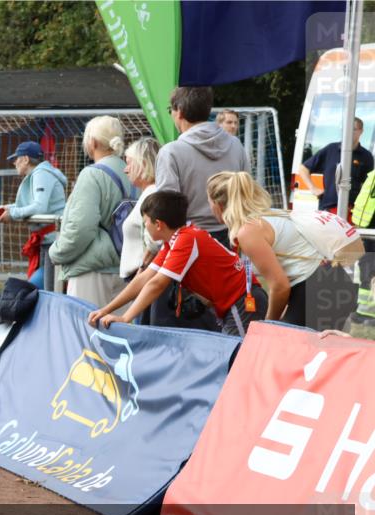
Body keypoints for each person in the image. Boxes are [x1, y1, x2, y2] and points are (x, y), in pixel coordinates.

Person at [88, 190, 267, 337]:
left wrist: (126, 317)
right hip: (234, 303)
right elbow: (143, 280)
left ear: (158, 224)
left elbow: (157, 283)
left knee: (240, 363)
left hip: (242, 301)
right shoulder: (173, 241)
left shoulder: (186, 239)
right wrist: (106, 310)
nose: (145, 227)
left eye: (145, 223)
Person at [153, 86, 249, 328]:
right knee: (225, 324)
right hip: (230, 242)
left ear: (179, 111)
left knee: (180, 330)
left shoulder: (171, 152)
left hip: (189, 247)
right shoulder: (236, 146)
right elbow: (247, 193)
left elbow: (166, 211)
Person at [206, 172, 323, 326]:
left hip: (315, 287)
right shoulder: (266, 216)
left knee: (278, 342)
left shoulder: (249, 231)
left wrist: (269, 324)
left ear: (217, 204)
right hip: (323, 282)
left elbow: (280, 286)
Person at [48, 116, 128, 307]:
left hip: (92, 271)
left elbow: (81, 228)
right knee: (120, 334)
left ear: (92, 142)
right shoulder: (132, 170)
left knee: (84, 331)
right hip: (128, 268)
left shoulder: (92, 174)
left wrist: (56, 252)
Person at [0, 141, 66, 290]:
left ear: (25, 159)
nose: (14, 163)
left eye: (16, 158)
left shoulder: (41, 173)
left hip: (54, 242)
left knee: (36, 291)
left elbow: (39, 207)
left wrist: (11, 214)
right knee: (40, 290)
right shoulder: (38, 174)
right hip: (47, 242)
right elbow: (21, 207)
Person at [296, 117, 374, 218]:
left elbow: (368, 185)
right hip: (328, 209)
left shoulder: (366, 156)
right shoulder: (331, 150)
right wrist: (313, 188)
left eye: (353, 129)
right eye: (346, 129)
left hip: (353, 211)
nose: (349, 132)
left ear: (361, 131)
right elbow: (303, 168)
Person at [119, 138, 160, 282]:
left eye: (129, 163)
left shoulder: (152, 194)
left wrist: (142, 269)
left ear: (142, 164)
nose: (125, 169)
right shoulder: (149, 193)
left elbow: (155, 241)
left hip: (143, 277)